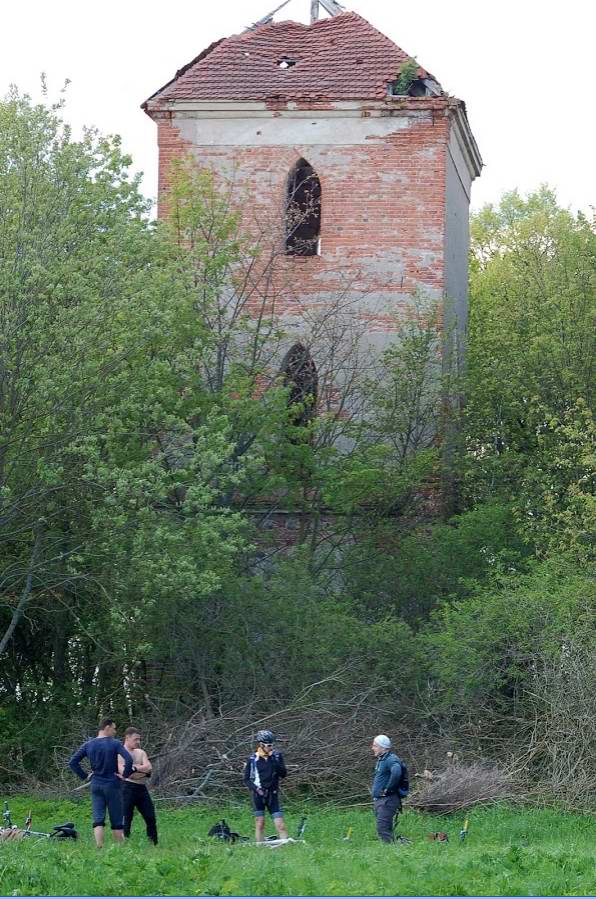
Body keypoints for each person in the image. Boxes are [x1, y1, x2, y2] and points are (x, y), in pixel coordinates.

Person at [68, 718, 133, 848]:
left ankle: (100, 847)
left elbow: (73, 762)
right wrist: (124, 776)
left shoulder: (88, 745)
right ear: (107, 727)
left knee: (98, 818)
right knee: (116, 818)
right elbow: (129, 760)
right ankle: (121, 848)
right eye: (114, 728)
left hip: (96, 785)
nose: (115, 731)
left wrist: (86, 776)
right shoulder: (115, 744)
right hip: (112, 784)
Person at [243, 729, 288, 843]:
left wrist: (273, 760)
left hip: (273, 794)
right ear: (261, 745)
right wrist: (256, 789)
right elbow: (246, 779)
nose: (271, 748)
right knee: (260, 823)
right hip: (259, 794)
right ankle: (260, 847)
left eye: (272, 745)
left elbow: (283, 774)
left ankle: (286, 846)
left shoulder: (277, 756)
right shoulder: (253, 759)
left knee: (280, 825)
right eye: (269, 745)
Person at [119, 726, 158, 845]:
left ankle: (153, 843)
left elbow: (149, 768)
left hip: (141, 789)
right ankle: (124, 843)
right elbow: (126, 774)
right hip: (127, 788)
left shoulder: (141, 752)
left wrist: (135, 768)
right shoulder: (120, 753)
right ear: (127, 738)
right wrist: (142, 772)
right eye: (135, 739)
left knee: (150, 816)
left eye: (139, 739)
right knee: (127, 818)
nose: (138, 742)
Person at [371, 734, 406, 844]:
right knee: (385, 828)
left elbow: (396, 772)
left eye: (375, 746)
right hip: (382, 800)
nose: (373, 748)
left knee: (382, 829)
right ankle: (393, 847)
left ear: (383, 747)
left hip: (388, 800)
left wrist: (388, 789)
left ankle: (389, 851)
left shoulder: (391, 759)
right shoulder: (382, 759)